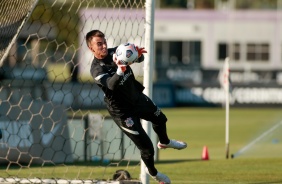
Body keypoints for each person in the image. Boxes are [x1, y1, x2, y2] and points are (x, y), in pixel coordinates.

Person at [86, 30, 187, 184]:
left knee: (160, 119)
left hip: (136, 98)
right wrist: (120, 71)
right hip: (122, 112)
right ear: (91, 48)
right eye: (99, 44)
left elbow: (140, 58)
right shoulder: (96, 69)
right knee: (147, 148)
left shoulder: (116, 51)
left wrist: (137, 55)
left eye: (104, 42)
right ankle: (154, 173)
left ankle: (165, 142)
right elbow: (110, 85)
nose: (104, 46)